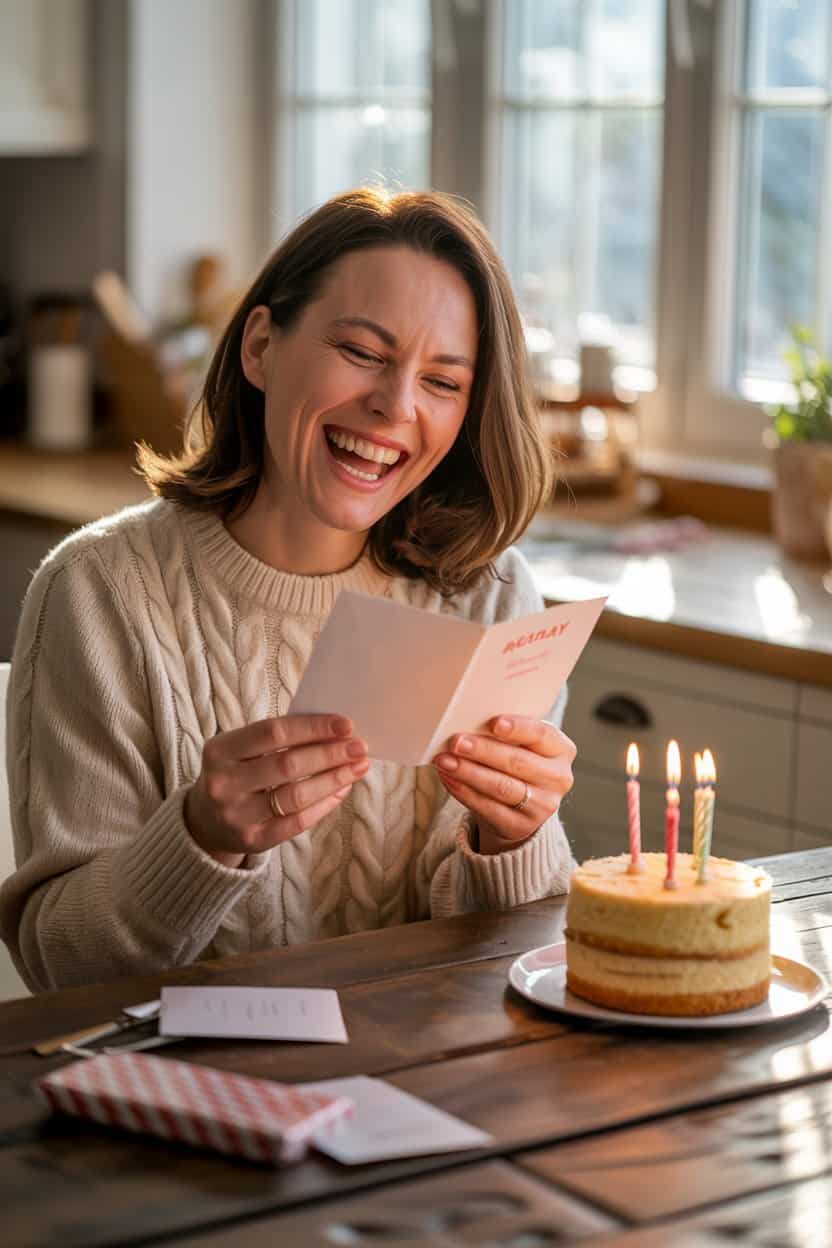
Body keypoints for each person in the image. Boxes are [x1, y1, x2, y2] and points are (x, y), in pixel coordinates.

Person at [0, 188, 577, 993]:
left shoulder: (494, 592)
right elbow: (59, 965)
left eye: (443, 382)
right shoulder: (100, 593)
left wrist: (515, 840)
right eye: (364, 353)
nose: (395, 405)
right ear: (262, 346)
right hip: (186, 1094)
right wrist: (201, 837)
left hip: (434, 1081)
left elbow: (520, 964)